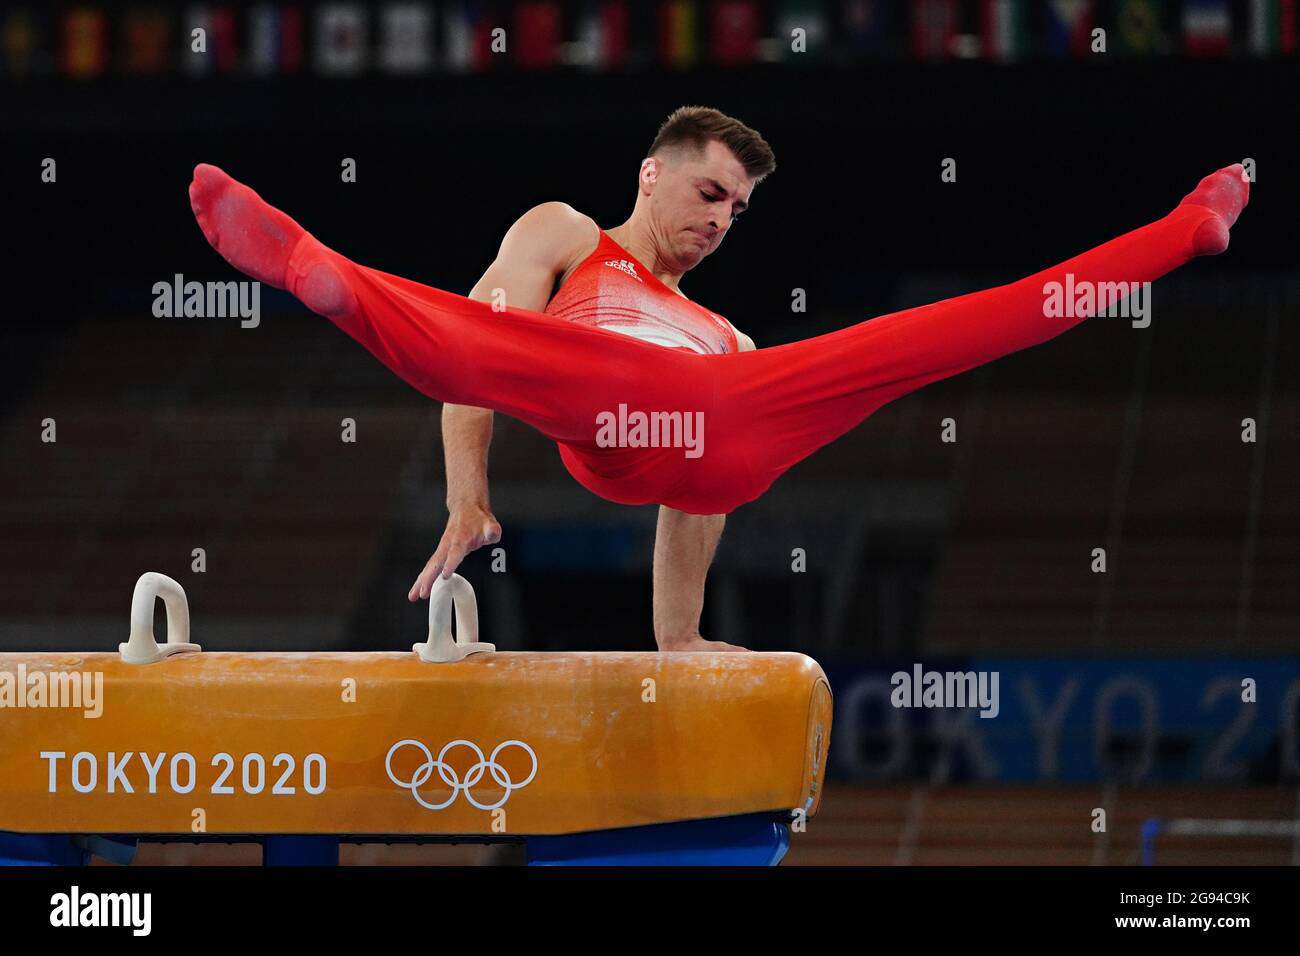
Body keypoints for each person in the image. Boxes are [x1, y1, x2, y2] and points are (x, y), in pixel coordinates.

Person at [188, 106, 1249, 653]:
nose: (717, 219)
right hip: (582, 393)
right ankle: (332, 280)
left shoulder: (723, 329)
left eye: (736, 208)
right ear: (651, 171)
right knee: (487, 333)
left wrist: (677, 635)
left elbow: (698, 494)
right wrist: (468, 495)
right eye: (706, 191)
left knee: (942, 333)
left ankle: (1176, 231)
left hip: (720, 416)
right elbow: (485, 349)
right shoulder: (568, 232)